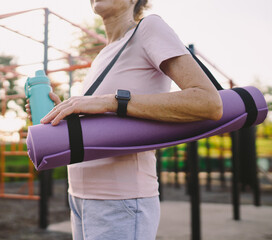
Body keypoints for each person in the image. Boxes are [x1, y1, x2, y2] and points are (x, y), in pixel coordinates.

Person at [26, 0, 223, 239]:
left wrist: (112, 101)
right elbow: (106, 122)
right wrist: (62, 113)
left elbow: (209, 102)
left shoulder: (149, 28)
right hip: (79, 197)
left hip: (121, 201)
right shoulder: (102, 55)